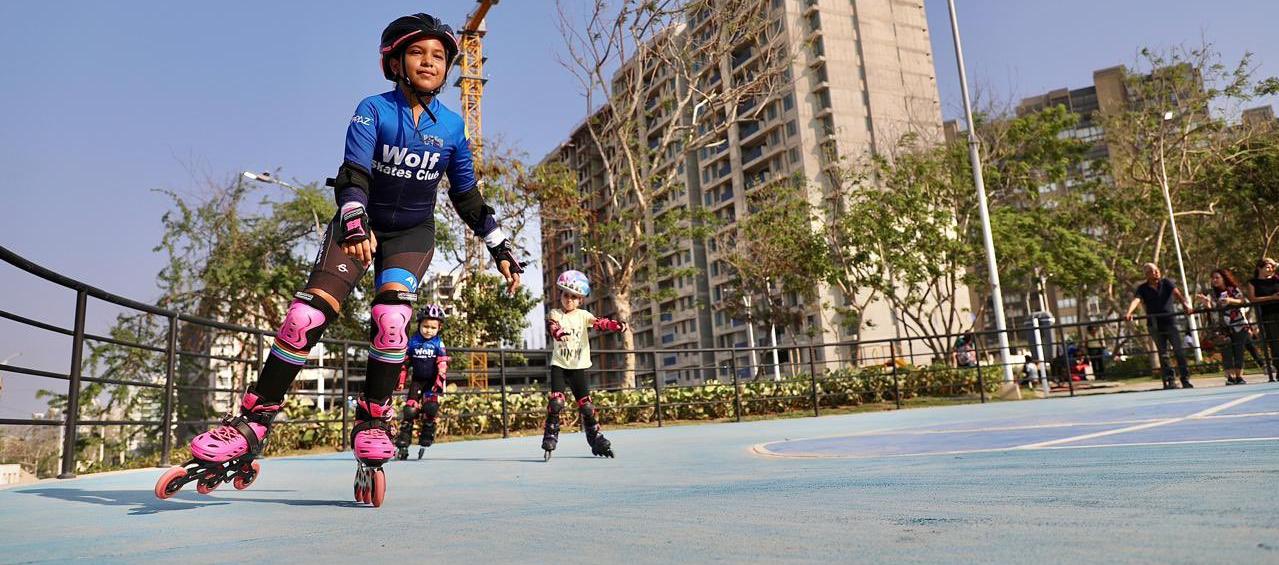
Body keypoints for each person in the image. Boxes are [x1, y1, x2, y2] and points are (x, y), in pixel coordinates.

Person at [155, 13, 524, 506]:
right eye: (419, 53)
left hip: (411, 233)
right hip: (359, 222)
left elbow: (468, 196)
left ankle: (374, 419)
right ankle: (254, 421)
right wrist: (354, 219)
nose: (430, 63)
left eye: (439, 56)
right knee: (304, 316)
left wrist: (500, 246)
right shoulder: (373, 110)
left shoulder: (453, 128)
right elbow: (353, 174)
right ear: (395, 61)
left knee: (393, 318)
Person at [542, 270, 628, 460]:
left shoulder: (583, 315)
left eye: (574, 297)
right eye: (566, 295)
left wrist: (615, 326)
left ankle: (596, 439)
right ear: (561, 295)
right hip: (560, 366)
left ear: (580, 300)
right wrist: (557, 333)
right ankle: (550, 435)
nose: (569, 300)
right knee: (556, 402)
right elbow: (552, 326)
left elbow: (599, 323)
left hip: (578, 367)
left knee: (587, 407)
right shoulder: (555, 313)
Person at [1124, 263, 1194, 390]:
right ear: (1146, 274)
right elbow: (1136, 300)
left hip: (1170, 322)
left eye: (1157, 270)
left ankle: (1185, 379)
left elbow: (1178, 295)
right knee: (1163, 354)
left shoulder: (1167, 282)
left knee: (1179, 352)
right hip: (1154, 324)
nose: (1156, 272)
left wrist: (1186, 305)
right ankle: (1170, 381)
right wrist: (1129, 312)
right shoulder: (1142, 288)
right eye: (1152, 271)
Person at [395, 304, 450, 460]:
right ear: (419, 325)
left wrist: (440, 381)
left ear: (439, 328)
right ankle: (403, 442)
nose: (428, 330)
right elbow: (405, 363)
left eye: (433, 327)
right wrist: (401, 380)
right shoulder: (412, 342)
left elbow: (442, 364)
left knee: (430, 408)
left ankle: (427, 435)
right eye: (425, 326)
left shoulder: (439, 344)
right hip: (417, 381)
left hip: (431, 382)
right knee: (410, 410)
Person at [1196, 269, 1265, 385]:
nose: (1214, 280)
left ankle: (1239, 377)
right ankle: (1230, 378)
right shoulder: (1211, 293)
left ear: (1223, 278)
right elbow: (1213, 311)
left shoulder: (1232, 289)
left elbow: (1243, 301)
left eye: (1217, 277)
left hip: (1238, 324)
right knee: (1226, 351)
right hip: (1222, 327)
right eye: (1213, 278)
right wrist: (1207, 304)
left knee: (1239, 350)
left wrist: (1230, 300)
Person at [1247, 257, 1279, 382]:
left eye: (1272, 267)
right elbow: (1252, 298)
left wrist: (1274, 263)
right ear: (1259, 268)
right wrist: (1271, 297)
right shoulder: (1253, 282)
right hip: (1268, 315)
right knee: (1275, 344)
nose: (1270, 269)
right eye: (1267, 266)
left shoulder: (1276, 279)